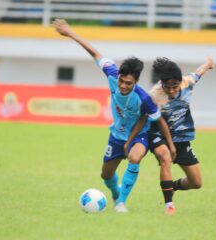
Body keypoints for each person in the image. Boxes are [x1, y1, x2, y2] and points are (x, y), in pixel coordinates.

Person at [52, 19, 176, 212]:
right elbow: (95, 52)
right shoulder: (111, 73)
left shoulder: (144, 99)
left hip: (138, 136)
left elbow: (159, 120)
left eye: (128, 82)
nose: (123, 85)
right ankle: (116, 193)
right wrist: (69, 32)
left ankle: (121, 203)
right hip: (116, 135)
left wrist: (171, 145)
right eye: (121, 81)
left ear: (136, 81)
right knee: (106, 174)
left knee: (135, 158)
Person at [126, 57, 214, 215]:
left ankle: (170, 186)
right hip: (157, 134)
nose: (172, 90)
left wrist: (208, 64)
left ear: (181, 81)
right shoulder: (154, 95)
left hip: (181, 138)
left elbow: (198, 72)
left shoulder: (188, 82)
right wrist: (129, 141)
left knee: (196, 182)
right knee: (165, 157)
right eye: (167, 87)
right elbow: (143, 118)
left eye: (175, 86)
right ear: (162, 83)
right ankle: (169, 205)